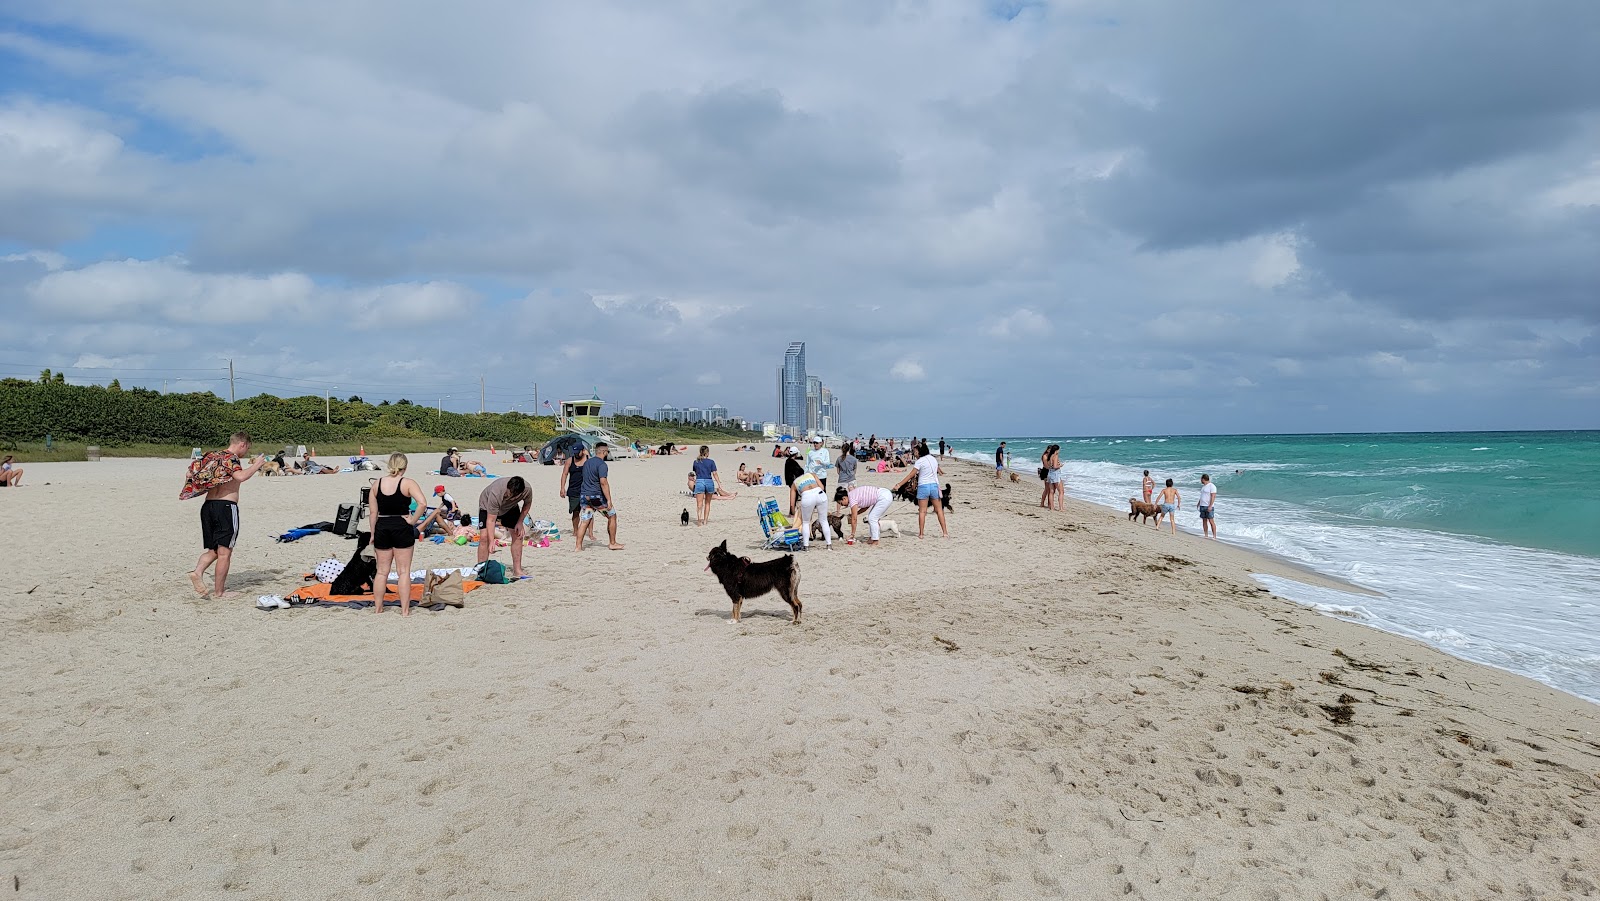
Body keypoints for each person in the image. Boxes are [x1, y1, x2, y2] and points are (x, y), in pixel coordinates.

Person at [189, 432, 266, 599]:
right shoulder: (231, 458)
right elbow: (240, 476)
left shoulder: (211, 456)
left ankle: (197, 572)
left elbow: (190, 474)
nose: (245, 453)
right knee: (225, 552)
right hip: (225, 506)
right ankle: (220, 592)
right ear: (242, 445)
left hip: (208, 506)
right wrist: (257, 465)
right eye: (247, 449)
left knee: (215, 550)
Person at [371, 454, 427, 616]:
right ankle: (404, 610)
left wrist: (373, 533)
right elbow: (422, 503)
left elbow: (373, 512)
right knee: (403, 571)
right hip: (401, 525)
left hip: (382, 525)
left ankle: (378, 608)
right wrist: (413, 521)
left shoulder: (377, 484)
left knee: (381, 571)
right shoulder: (407, 483)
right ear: (405, 467)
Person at [475, 475, 533, 578]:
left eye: (512, 496)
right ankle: (481, 570)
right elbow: (491, 520)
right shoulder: (496, 492)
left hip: (510, 508)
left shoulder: (527, 490)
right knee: (484, 537)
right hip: (486, 506)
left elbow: (527, 505)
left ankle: (517, 570)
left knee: (518, 534)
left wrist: (520, 522)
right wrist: (492, 542)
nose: (508, 497)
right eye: (508, 493)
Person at [576, 442, 623, 551]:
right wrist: (609, 500)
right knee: (612, 516)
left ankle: (578, 546)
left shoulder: (587, 462)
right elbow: (603, 482)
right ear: (604, 452)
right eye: (607, 451)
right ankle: (612, 543)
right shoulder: (602, 465)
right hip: (596, 497)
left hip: (584, 495)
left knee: (584, 521)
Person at [896, 442, 949, 539]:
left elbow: (910, 475)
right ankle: (945, 532)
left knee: (922, 511)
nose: (914, 453)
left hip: (923, 486)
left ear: (919, 451)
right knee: (939, 510)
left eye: (915, 451)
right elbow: (937, 470)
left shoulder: (919, 461)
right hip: (934, 486)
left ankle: (921, 534)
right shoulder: (933, 458)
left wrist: (899, 484)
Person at [789, 467, 832, 549]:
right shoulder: (811, 475)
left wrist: (793, 513)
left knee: (805, 522)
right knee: (823, 520)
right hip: (820, 494)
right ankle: (829, 544)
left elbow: (792, 503)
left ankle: (806, 546)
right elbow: (822, 487)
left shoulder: (794, 483)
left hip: (807, 497)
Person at [558, 445, 589, 538]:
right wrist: (562, 488)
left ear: (583, 451)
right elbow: (564, 474)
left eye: (578, 452)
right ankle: (575, 531)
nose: (576, 454)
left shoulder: (588, 459)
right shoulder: (570, 460)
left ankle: (590, 533)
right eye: (574, 452)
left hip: (586, 489)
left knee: (588, 511)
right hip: (573, 489)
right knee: (575, 512)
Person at [692, 445, 721, 526]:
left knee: (699, 504)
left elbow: (695, 472)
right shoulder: (711, 462)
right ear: (707, 453)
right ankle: (705, 520)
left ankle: (699, 521)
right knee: (707, 503)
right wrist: (719, 483)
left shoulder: (696, 462)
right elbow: (714, 473)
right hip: (708, 481)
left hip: (700, 481)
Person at [783, 449, 806, 516]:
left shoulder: (787, 461)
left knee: (795, 497)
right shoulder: (793, 462)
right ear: (795, 454)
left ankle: (792, 512)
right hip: (793, 481)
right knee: (795, 497)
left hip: (789, 481)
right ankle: (791, 513)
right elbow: (799, 471)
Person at [1039, 444, 1061, 510]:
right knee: (1047, 489)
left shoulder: (1051, 456)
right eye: (1050, 450)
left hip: (1050, 472)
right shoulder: (1045, 456)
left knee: (1050, 490)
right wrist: (1053, 467)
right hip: (1046, 472)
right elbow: (1046, 465)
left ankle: (1049, 504)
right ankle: (1042, 503)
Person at [1198, 473, 1218, 540]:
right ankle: (1206, 535)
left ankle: (1214, 536)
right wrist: (1198, 503)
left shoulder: (1211, 486)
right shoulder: (1203, 487)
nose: (1200, 480)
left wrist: (1210, 505)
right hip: (1202, 505)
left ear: (1203, 479)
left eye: (1201, 479)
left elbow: (1213, 496)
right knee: (1204, 520)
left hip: (1208, 506)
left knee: (1211, 521)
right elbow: (1202, 496)